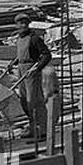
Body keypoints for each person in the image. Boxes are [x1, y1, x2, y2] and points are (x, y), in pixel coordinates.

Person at [11, 12, 51, 144]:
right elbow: (21, 55)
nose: (23, 25)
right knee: (24, 102)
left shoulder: (34, 38)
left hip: (31, 72)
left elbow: (46, 55)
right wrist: (13, 62)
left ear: (28, 24)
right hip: (21, 71)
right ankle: (33, 128)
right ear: (16, 25)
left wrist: (37, 68)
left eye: (25, 23)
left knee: (34, 101)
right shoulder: (19, 38)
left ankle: (42, 131)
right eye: (20, 23)